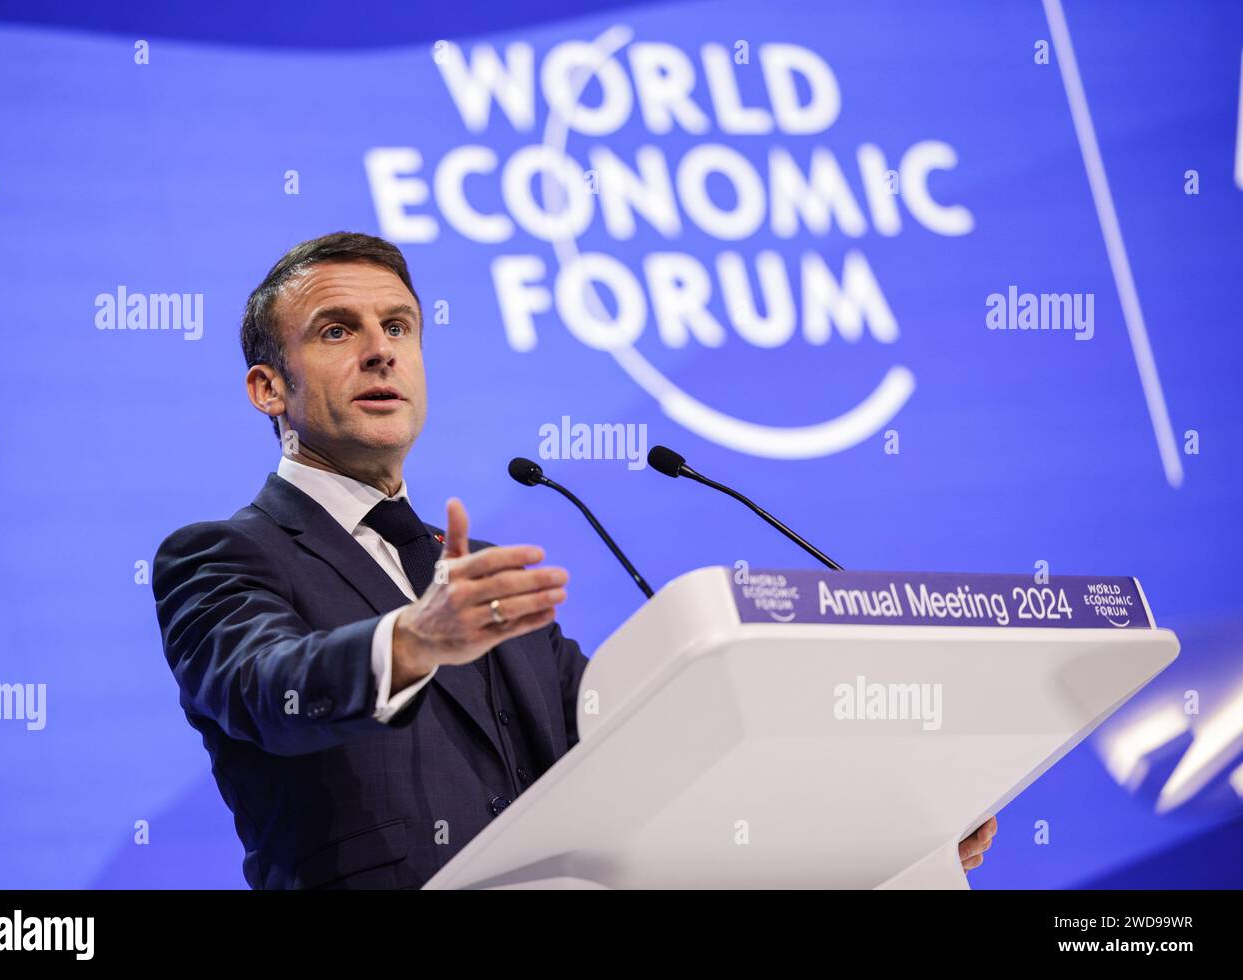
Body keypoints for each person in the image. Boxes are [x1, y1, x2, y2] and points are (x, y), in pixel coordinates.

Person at [152, 231, 997, 889]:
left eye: (399, 327)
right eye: (338, 330)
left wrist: (874, 840)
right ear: (268, 388)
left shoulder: (481, 579)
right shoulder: (223, 556)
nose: (381, 351)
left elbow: (640, 756)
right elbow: (269, 690)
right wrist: (413, 641)